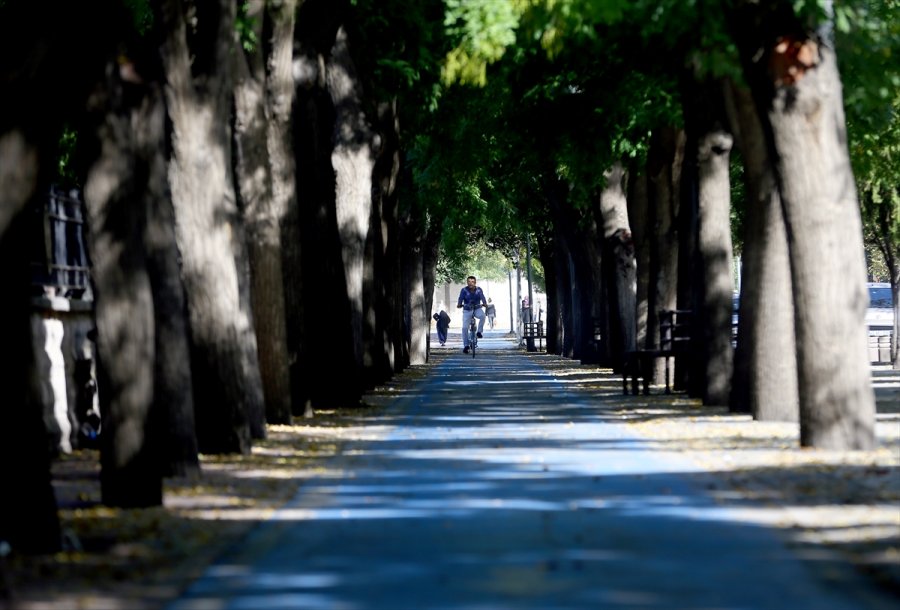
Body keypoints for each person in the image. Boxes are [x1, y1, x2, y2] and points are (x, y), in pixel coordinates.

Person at [457, 275, 488, 354]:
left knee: (483, 316)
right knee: (464, 328)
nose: (471, 283)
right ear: (467, 282)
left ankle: (479, 332)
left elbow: (482, 297)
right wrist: (459, 304)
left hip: (477, 308)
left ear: (475, 282)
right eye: (469, 282)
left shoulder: (479, 290)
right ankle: (466, 346)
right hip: (467, 309)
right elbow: (460, 298)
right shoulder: (464, 290)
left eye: (472, 282)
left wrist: (484, 303)